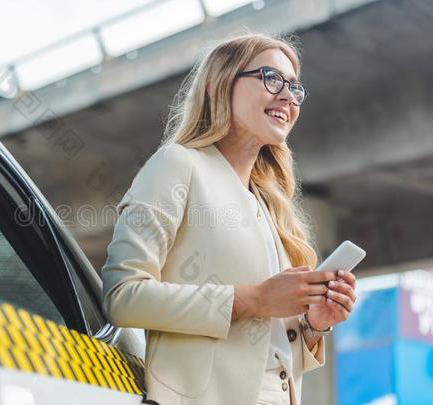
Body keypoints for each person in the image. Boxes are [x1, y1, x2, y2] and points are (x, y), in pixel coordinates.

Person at [100, 33, 358, 405]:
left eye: (294, 87)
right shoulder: (177, 165)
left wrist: (314, 324)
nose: (287, 96)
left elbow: (269, 351)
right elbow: (122, 297)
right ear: (217, 86)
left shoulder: (271, 204)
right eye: (271, 78)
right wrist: (253, 299)